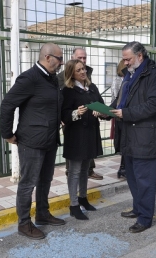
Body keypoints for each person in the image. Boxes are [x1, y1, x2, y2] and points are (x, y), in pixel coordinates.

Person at [0, 43, 65, 240]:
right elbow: (7, 105)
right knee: (28, 184)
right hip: (32, 142)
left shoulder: (52, 79)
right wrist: (7, 134)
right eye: (59, 59)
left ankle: (43, 214)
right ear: (47, 57)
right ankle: (24, 223)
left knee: (45, 180)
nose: (61, 63)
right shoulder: (29, 78)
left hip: (50, 140)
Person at [110, 41, 156, 233]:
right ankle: (137, 208)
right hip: (129, 134)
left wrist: (126, 113)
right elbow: (120, 100)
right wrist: (107, 110)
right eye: (124, 59)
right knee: (133, 177)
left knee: (145, 180)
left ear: (140, 56)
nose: (125, 63)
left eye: (128, 59)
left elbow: (154, 105)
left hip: (145, 137)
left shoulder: (155, 75)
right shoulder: (129, 75)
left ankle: (145, 218)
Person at [61, 59, 104, 220]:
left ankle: (83, 198)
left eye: (84, 69)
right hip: (76, 135)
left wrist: (101, 112)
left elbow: (102, 106)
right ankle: (73, 205)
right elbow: (63, 114)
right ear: (71, 73)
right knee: (74, 171)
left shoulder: (92, 87)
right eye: (79, 70)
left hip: (91, 133)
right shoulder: (67, 90)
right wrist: (75, 113)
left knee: (86, 169)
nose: (83, 72)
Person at [58, 48, 103, 180]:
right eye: (79, 58)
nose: (83, 63)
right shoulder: (63, 81)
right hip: (74, 124)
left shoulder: (90, 82)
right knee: (75, 163)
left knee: (85, 160)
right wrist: (74, 113)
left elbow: (96, 100)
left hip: (90, 124)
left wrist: (100, 110)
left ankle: (88, 172)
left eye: (84, 59)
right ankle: (71, 176)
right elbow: (63, 105)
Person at [110, 59, 128, 179]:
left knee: (126, 142)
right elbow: (116, 98)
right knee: (122, 141)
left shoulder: (131, 79)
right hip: (118, 113)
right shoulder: (118, 80)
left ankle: (123, 168)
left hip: (127, 114)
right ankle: (123, 168)